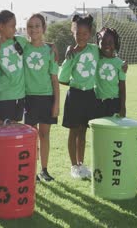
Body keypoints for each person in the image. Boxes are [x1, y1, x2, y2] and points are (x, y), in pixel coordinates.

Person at [58, 14, 99, 180]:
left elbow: (109, 55)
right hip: (75, 96)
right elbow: (62, 78)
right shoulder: (71, 54)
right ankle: (74, 166)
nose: (81, 37)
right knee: (73, 131)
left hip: (90, 96)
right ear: (72, 33)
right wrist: (69, 56)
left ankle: (81, 164)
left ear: (89, 34)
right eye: (77, 33)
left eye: (85, 33)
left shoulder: (95, 50)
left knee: (83, 132)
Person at [23, 13, 60, 181]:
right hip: (28, 98)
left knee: (44, 135)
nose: (34, 29)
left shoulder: (50, 51)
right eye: (30, 26)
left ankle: (44, 170)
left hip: (46, 98)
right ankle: (31, 170)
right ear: (26, 30)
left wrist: (56, 103)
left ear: (44, 28)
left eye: (37, 26)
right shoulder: (22, 47)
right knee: (31, 137)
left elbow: (54, 79)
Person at [0, 10, 28, 124]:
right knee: (4, 134)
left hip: (20, 96)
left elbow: (37, 45)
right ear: (1, 26)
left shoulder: (20, 41)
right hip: (2, 98)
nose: (15, 29)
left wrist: (52, 45)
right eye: (12, 26)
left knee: (15, 133)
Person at [95, 27, 126, 118]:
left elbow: (122, 88)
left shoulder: (120, 64)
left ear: (115, 44)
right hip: (97, 101)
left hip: (114, 103)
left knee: (112, 130)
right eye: (103, 42)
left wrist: (123, 107)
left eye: (110, 42)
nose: (107, 45)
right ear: (98, 43)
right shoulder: (96, 58)